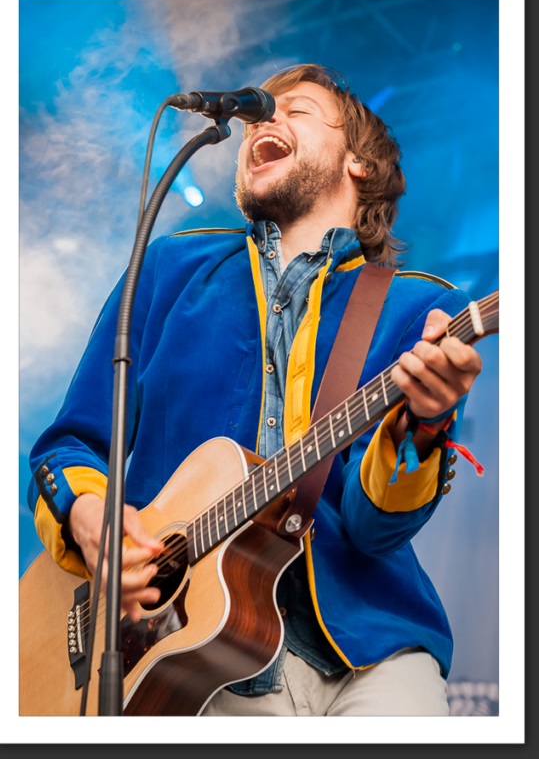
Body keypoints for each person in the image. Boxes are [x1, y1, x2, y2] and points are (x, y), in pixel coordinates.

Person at [27, 63, 484, 717]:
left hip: (371, 654)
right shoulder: (166, 272)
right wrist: (87, 517)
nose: (262, 119)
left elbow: (372, 528)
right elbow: (71, 444)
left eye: (294, 109)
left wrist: (423, 427)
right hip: (188, 654)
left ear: (358, 163)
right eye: (257, 115)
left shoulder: (420, 311)